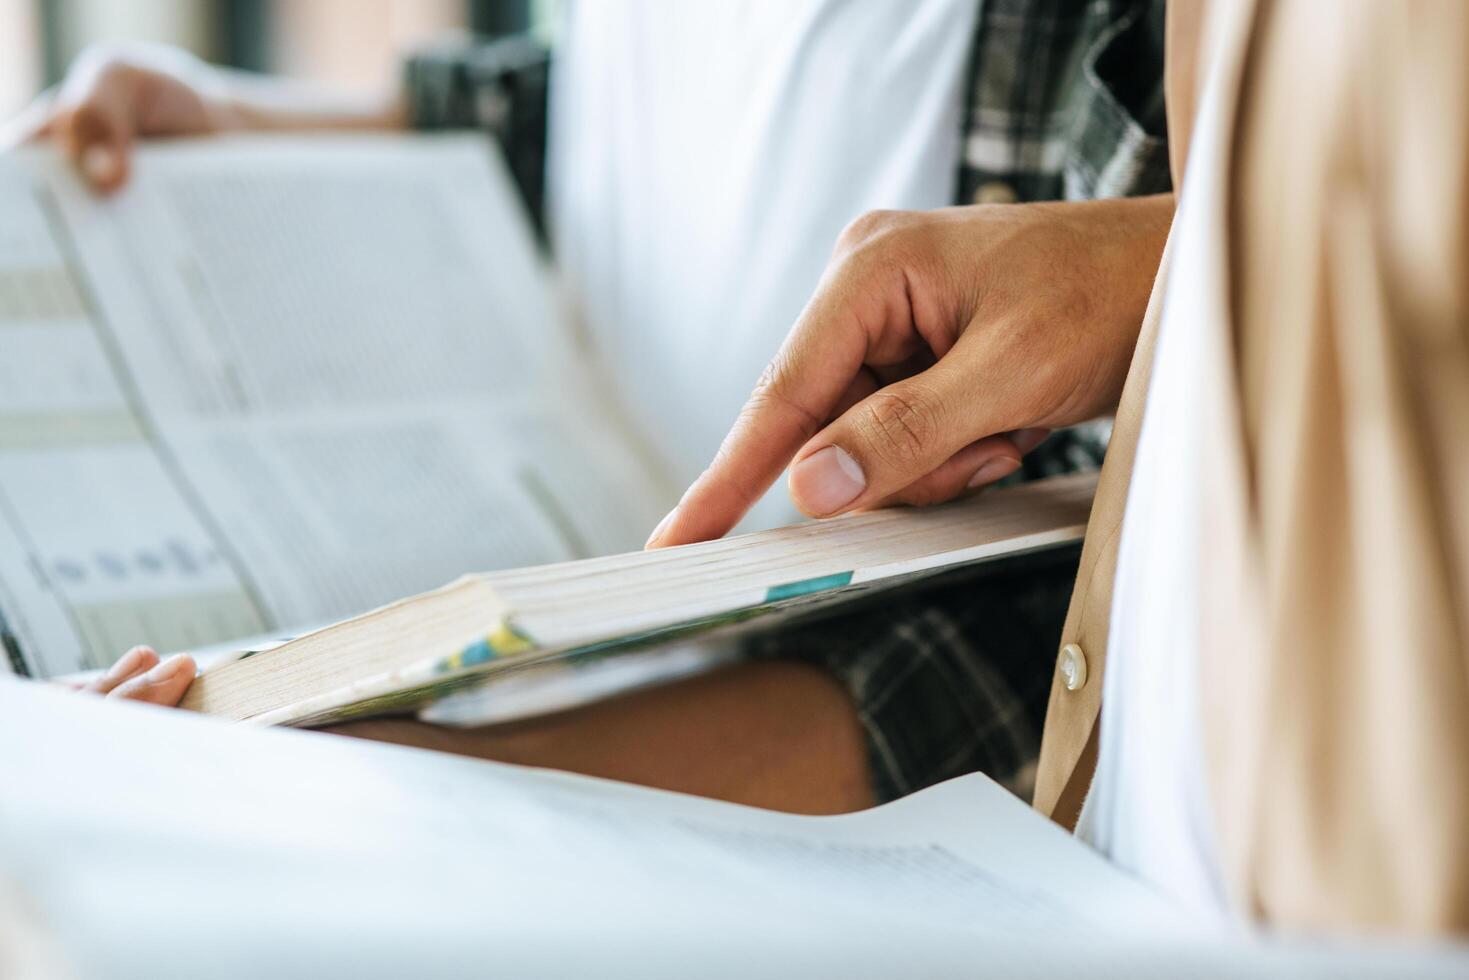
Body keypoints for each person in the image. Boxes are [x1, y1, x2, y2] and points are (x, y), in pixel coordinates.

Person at [21, 1, 1178, 814]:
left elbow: (1071, 648)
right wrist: (242, 124)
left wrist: (467, 780)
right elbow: (633, 117)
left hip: (745, 815)